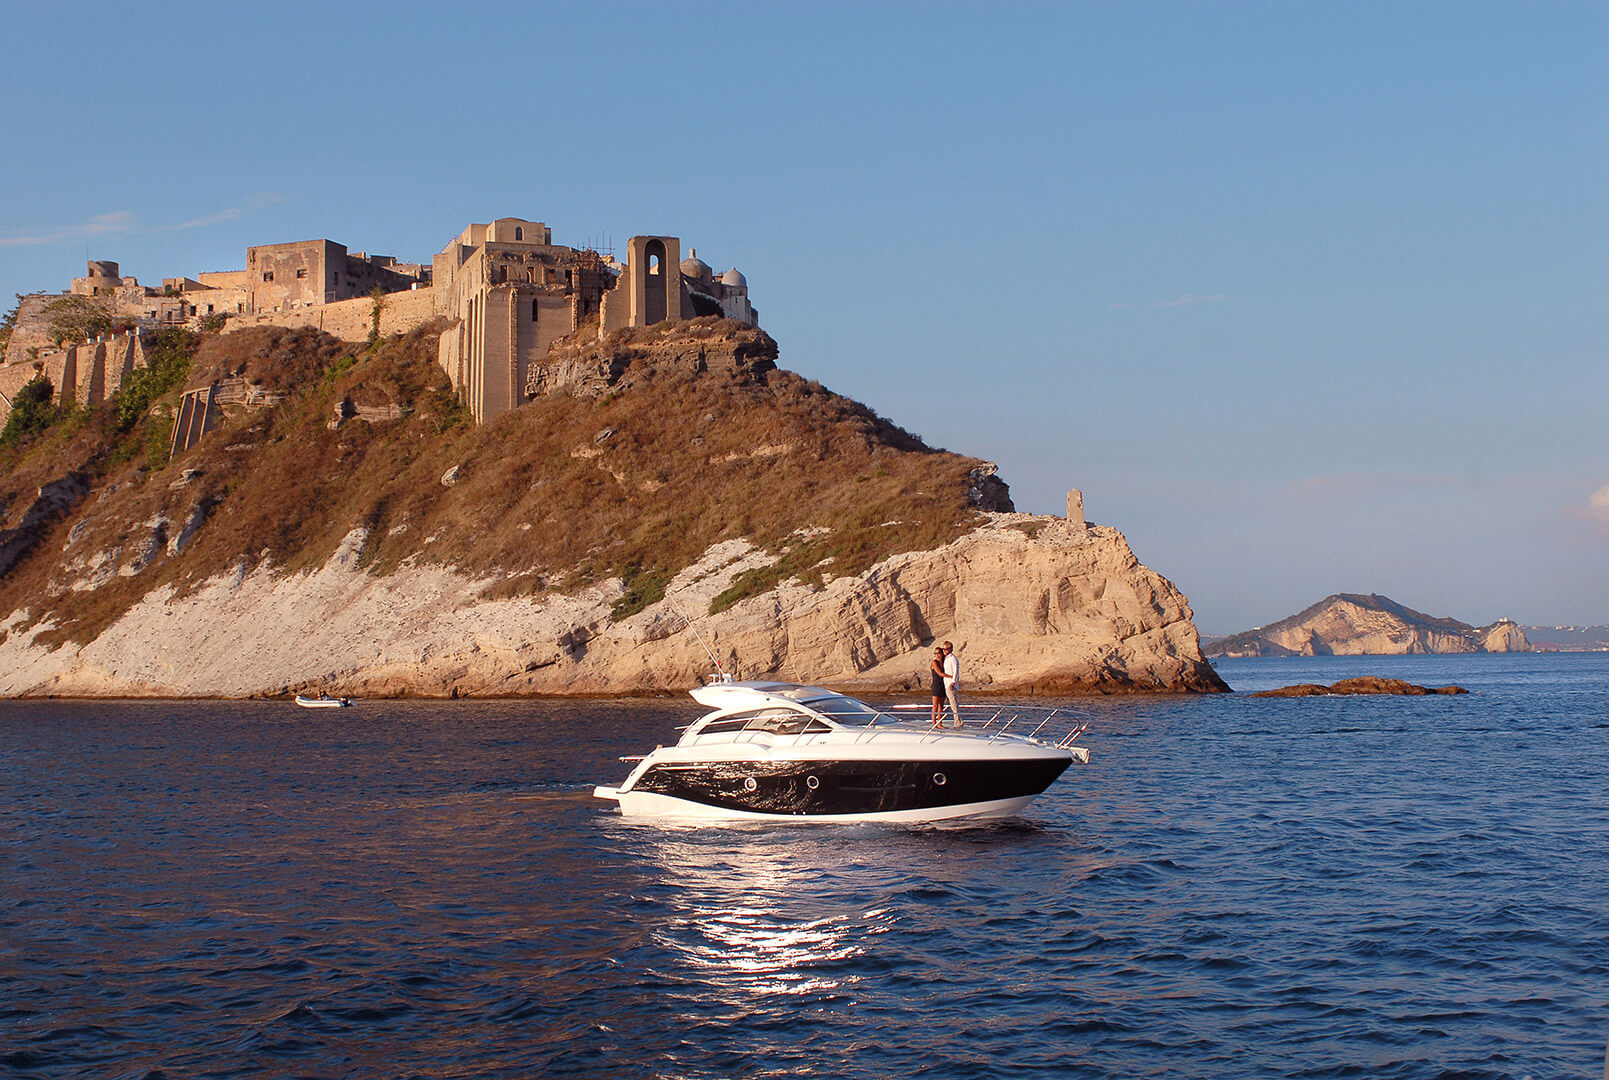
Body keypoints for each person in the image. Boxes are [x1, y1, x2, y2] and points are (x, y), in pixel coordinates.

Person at [942, 641, 962, 727]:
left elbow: (956, 670)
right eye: (943, 649)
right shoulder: (946, 658)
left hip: (951, 684)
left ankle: (958, 722)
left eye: (945, 649)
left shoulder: (953, 658)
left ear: (950, 649)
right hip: (946, 683)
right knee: (952, 703)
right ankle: (957, 721)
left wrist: (953, 682)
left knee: (954, 703)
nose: (944, 651)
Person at [929, 646, 947, 727]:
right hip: (936, 685)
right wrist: (951, 676)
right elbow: (939, 673)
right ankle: (934, 723)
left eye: (938, 653)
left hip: (943, 684)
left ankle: (940, 722)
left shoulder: (944, 662)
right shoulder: (934, 662)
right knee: (935, 705)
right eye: (935, 653)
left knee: (941, 706)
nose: (937, 655)